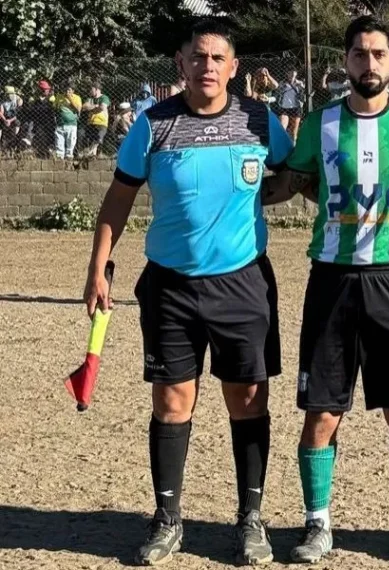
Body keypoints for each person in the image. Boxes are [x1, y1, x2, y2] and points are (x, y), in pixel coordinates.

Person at [258, 15, 389, 564]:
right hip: (332, 280)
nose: (370, 64)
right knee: (322, 412)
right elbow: (295, 183)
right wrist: (240, 192)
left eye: (379, 54)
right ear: (346, 62)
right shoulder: (318, 125)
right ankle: (317, 524)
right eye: (360, 55)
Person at [82, 18, 293, 566]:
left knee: (248, 399)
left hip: (243, 283)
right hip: (171, 286)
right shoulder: (152, 125)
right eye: (197, 57)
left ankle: (251, 518)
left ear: (234, 67)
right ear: (181, 63)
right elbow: (119, 197)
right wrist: (97, 266)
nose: (207, 67)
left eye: (217, 58)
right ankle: (168, 517)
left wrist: (258, 196)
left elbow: (296, 173)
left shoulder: (260, 119)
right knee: (173, 401)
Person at [80, 82, 110, 157]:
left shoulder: (104, 97)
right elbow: (83, 107)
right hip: (91, 123)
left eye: (91, 89)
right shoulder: (90, 98)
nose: (90, 91)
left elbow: (102, 107)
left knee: (98, 139)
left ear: (97, 89)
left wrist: (91, 107)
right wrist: (96, 106)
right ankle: (91, 156)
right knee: (84, 136)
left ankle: (88, 153)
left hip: (101, 122)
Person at [52, 84, 82, 159]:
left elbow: (78, 109)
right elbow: (55, 109)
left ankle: (69, 156)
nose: (67, 91)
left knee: (71, 142)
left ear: (73, 91)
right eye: (66, 89)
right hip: (60, 123)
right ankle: (59, 156)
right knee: (59, 141)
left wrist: (69, 98)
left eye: (69, 90)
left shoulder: (77, 98)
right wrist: (55, 117)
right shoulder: (59, 96)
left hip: (71, 124)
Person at [274, 70, 305, 140]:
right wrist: (283, 87)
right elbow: (278, 92)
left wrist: (301, 86)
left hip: (296, 108)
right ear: (287, 74)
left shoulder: (299, 83)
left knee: (294, 132)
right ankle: (282, 146)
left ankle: (294, 147)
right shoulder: (283, 83)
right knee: (282, 129)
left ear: (296, 74)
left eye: (293, 74)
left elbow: (303, 96)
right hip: (284, 108)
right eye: (290, 73)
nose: (292, 76)